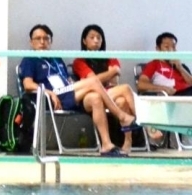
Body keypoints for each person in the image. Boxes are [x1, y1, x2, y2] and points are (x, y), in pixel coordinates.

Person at [19, 24, 140, 157]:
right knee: (93, 81)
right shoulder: (29, 59)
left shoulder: (56, 59)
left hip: (68, 93)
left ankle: (106, 144)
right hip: (54, 97)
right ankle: (122, 116)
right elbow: (27, 84)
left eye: (45, 38)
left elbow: (67, 81)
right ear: (31, 42)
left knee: (95, 98)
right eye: (37, 39)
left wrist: (78, 86)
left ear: (50, 41)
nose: (42, 42)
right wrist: (50, 93)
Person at [73, 24, 155, 154]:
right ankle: (149, 126)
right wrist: (111, 73)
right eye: (92, 37)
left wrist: (107, 76)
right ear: (84, 41)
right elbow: (93, 81)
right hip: (90, 95)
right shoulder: (79, 61)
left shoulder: (110, 57)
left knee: (122, 101)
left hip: (110, 93)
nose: (96, 41)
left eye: (99, 38)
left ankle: (127, 142)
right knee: (126, 88)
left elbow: (114, 81)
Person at [137, 32, 192, 96]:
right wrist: (163, 88)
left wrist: (180, 68)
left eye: (173, 47)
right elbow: (141, 85)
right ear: (158, 49)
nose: (171, 50)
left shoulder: (181, 66)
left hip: (188, 95)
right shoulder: (154, 65)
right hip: (174, 96)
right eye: (166, 47)